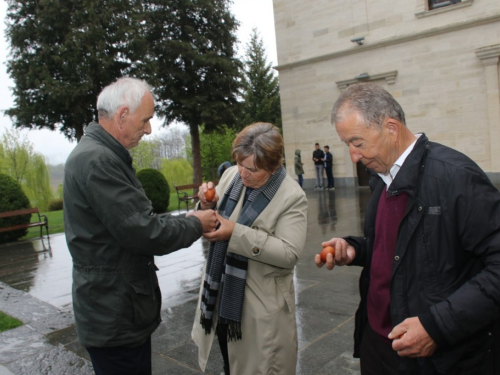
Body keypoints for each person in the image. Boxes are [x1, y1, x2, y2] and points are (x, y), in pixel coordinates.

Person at [315, 83, 500, 375]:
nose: (353, 156)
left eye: (358, 142)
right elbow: (401, 247)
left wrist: (437, 327)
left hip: (435, 356)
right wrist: (356, 248)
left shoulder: (456, 177)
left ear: (391, 127)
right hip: (377, 343)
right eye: (347, 144)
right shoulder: (381, 176)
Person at [63, 77, 217, 375]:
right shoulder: (99, 161)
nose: (148, 129)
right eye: (145, 120)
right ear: (122, 116)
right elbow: (143, 232)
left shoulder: (99, 153)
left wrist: (193, 215)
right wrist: (195, 225)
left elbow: (131, 220)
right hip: (114, 312)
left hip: (112, 308)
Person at [191, 122, 308, 375]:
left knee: (258, 368)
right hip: (223, 297)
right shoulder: (231, 175)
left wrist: (236, 233)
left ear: (273, 165)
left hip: (260, 309)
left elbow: (289, 254)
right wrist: (205, 203)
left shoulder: (292, 196)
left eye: (252, 169)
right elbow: (213, 217)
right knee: (229, 364)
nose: (243, 173)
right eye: (240, 164)